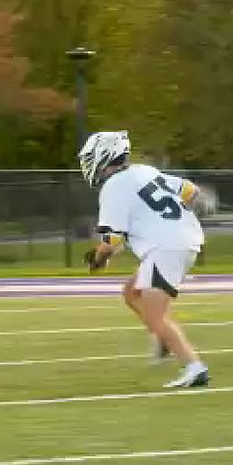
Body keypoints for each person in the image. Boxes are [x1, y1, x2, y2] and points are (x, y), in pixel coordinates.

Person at [79, 130, 210, 389]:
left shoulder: (114, 186)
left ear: (105, 156)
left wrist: (97, 259)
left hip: (166, 247)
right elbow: (190, 191)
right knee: (131, 292)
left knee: (155, 316)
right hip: (182, 240)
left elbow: (113, 240)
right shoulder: (143, 171)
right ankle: (165, 341)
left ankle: (194, 367)